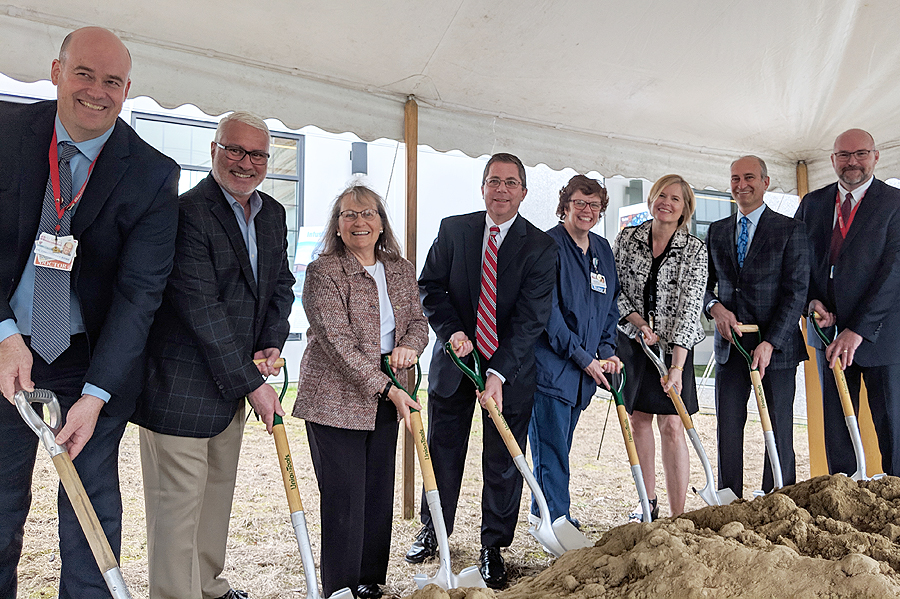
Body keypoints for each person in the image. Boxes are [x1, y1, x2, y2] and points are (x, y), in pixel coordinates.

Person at [0, 27, 179, 598]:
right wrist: (4, 334)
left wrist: (97, 395)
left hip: (90, 364)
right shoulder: (5, 134)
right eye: (84, 74)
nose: (96, 92)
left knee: (88, 513)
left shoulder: (153, 173)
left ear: (128, 89)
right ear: (56, 72)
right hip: (7, 343)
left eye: (112, 82)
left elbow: (140, 293)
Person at [132, 111, 294, 599]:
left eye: (258, 154)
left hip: (231, 387)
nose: (246, 163)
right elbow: (202, 309)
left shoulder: (272, 214)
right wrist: (253, 383)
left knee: (215, 499)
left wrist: (271, 341)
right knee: (176, 509)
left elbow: (280, 286)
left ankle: (208, 587)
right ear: (214, 150)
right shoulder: (185, 212)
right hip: (179, 390)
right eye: (235, 150)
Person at [408, 152, 557, 588]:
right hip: (455, 364)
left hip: (510, 374)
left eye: (511, 183)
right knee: (443, 451)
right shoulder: (455, 230)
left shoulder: (540, 247)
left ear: (523, 193)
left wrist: (498, 373)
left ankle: (493, 547)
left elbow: (532, 318)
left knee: (503, 462)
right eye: (494, 181)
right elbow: (430, 286)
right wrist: (452, 331)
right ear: (483, 187)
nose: (502, 190)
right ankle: (434, 529)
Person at [293, 185, 427, 599]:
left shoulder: (400, 269)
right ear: (337, 225)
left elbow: (418, 322)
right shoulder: (324, 272)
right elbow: (337, 344)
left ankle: (369, 581)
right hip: (335, 398)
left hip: (388, 394)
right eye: (349, 215)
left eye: (367, 213)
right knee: (344, 498)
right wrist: (387, 388)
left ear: (382, 222)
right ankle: (340, 588)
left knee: (376, 492)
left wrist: (410, 346)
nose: (359, 222)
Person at [796, 128, 900, 477]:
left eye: (860, 154)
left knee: (892, 423)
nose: (852, 162)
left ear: (876, 156)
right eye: (844, 155)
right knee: (837, 425)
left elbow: (894, 273)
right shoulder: (813, 203)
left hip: (879, 336)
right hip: (827, 334)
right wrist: (809, 301)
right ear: (832, 159)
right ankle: (843, 495)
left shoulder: (895, 203)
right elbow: (798, 262)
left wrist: (858, 330)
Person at [704, 156, 809, 497]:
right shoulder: (717, 231)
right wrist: (715, 308)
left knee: (778, 428)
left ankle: (778, 498)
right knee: (728, 429)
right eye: (735, 178)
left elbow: (797, 292)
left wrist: (772, 342)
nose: (741, 184)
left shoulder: (789, 229)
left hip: (775, 349)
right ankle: (728, 498)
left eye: (749, 177)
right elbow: (702, 286)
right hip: (729, 347)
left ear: (765, 182)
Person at [612, 174, 707, 521]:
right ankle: (646, 501)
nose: (666, 202)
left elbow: (689, 308)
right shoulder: (627, 238)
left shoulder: (695, 249)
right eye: (661, 195)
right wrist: (638, 323)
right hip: (634, 343)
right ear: (651, 199)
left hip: (674, 348)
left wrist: (678, 367)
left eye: (675, 199)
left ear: (684, 209)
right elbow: (616, 289)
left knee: (672, 424)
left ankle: (678, 512)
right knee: (638, 420)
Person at [528, 175, 621, 527]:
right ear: (565, 204)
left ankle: (545, 514)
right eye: (580, 202)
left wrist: (607, 350)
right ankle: (557, 518)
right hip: (552, 369)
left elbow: (610, 305)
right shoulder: (546, 246)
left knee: (560, 448)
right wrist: (584, 358)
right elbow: (547, 315)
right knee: (550, 449)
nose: (587, 211)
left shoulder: (601, 250)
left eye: (594, 205)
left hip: (584, 371)